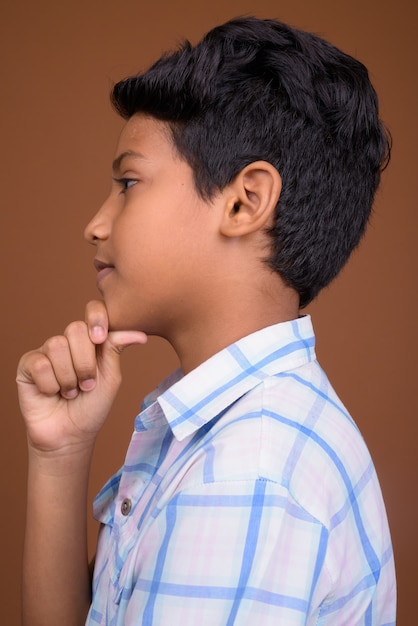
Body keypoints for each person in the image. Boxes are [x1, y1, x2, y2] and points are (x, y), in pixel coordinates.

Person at [17, 16, 396, 626]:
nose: (96, 223)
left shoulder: (245, 473)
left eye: (128, 182)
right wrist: (58, 454)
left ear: (244, 201)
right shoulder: (220, 431)